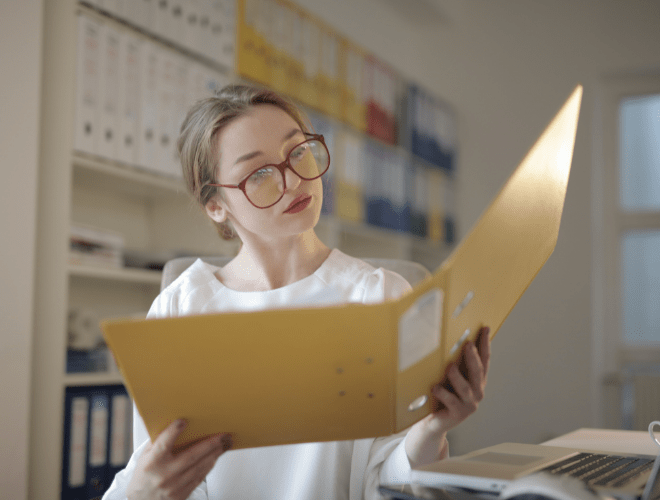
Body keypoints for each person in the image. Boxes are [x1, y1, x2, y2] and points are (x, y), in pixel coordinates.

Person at [103, 84, 490, 500]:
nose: (291, 179)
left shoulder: (380, 297)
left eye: (298, 151)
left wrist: (432, 429)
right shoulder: (181, 307)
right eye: (260, 173)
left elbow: (388, 484)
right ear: (215, 205)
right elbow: (157, 471)